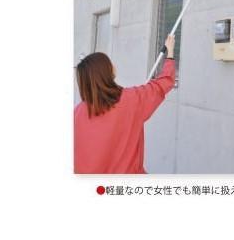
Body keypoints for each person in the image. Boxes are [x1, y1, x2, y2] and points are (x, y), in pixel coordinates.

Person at [74, 34, 176, 174]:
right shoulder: (132, 100)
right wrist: (170, 54)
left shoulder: (76, 114)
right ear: (105, 71)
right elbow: (163, 83)